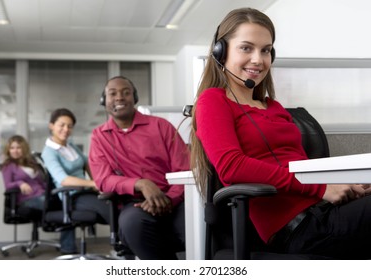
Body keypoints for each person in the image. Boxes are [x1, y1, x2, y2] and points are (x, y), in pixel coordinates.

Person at [189, 7, 371, 259]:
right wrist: (321, 188)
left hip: (326, 210)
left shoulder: (273, 106)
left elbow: (300, 165)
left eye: (265, 50)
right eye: (246, 48)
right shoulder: (213, 101)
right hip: (301, 229)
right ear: (221, 51)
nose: (258, 59)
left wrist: (348, 184)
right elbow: (231, 166)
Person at [88, 76, 190, 260]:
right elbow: (103, 180)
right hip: (134, 204)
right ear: (104, 101)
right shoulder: (99, 136)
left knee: (200, 225)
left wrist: (168, 199)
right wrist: (140, 184)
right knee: (132, 224)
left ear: (134, 98)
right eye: (113, 93)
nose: (119, 97)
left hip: (174, 199)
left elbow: (184, 171)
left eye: (126, 92)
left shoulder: (161, 126)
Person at [41, 108, 110, 254]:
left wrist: (97, 180)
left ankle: (125, 243)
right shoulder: (49, 152)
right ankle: (125, 247)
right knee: (107, 208)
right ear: (51, 125)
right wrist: (93, 184)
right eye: (62, 125)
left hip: (85, 191)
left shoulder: (70, 145)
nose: (66, 129)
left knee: (114, 200)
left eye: (70, 126)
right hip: (71, 196)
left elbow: (87, 162)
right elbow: (64, 180)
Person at [0, 135, 46, 210]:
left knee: (61, 200)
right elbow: (7, 185)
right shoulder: (8, 166)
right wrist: (20, 183)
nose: (15, 151)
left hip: (42, 194)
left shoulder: (32, 163)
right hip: (27, 199)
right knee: (48, 203)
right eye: (12, 148)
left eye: (18, 148)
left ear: (24, 149)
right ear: (8, 150)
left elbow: (40, 182)